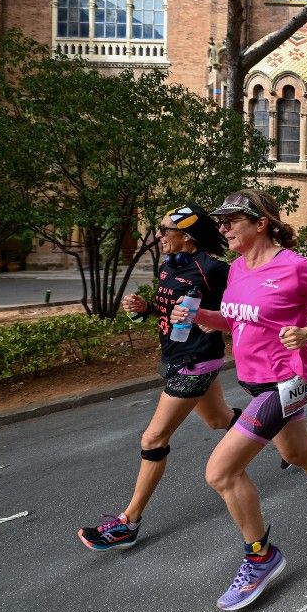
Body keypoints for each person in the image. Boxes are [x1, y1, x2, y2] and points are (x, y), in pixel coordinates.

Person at [177, 189, 307, 611]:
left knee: (221, 471)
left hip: (283, 383)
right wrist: (199, 317)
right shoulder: (236, 270)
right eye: (221, 222)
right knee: (299, 453)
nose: (223, 228)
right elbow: (235, 321)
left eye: (231, 221)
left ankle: (260, 557)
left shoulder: (294, 267)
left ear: (260, 223)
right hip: (252, 382)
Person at [77, 205, 234, 551]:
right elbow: (168, 311)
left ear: (188, 236)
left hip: (196, 363)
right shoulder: (168, 266)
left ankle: (128, 523)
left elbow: (241, 311)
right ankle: (277, 429)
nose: (158, 236)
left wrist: (210, 318)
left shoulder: (213, 270)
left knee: (152, 439)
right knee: (218, 419)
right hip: (174, 357)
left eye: (165, 230)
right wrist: (143, 311)